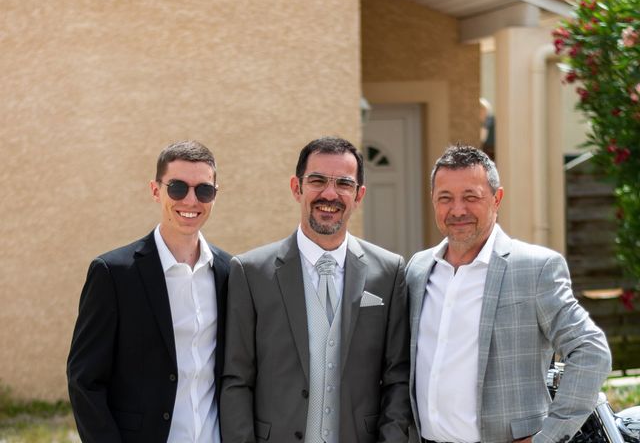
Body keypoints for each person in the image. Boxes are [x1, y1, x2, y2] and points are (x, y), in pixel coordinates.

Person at [406, 145, 611, 443]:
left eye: (471, 197)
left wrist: (549, 436)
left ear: (496, 198)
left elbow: (592, 350)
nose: (458, 210)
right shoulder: (418, 268)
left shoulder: (535, 268)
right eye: (445, 198)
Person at [221, 136, 411, 443]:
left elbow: (397, 378)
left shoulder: (389, 273)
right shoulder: (251, 272)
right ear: (297, 188)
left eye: (344, 184)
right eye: (318, 180)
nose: (330, 194)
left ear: (359, 194)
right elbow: (236, 380)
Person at [67, 140, 231, 443]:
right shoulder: (113, 273)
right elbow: (84, 381)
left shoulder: (229, 272)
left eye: (204, 190)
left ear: (215, 196)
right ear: (156, 191)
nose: (191, 200)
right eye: (178, 188)